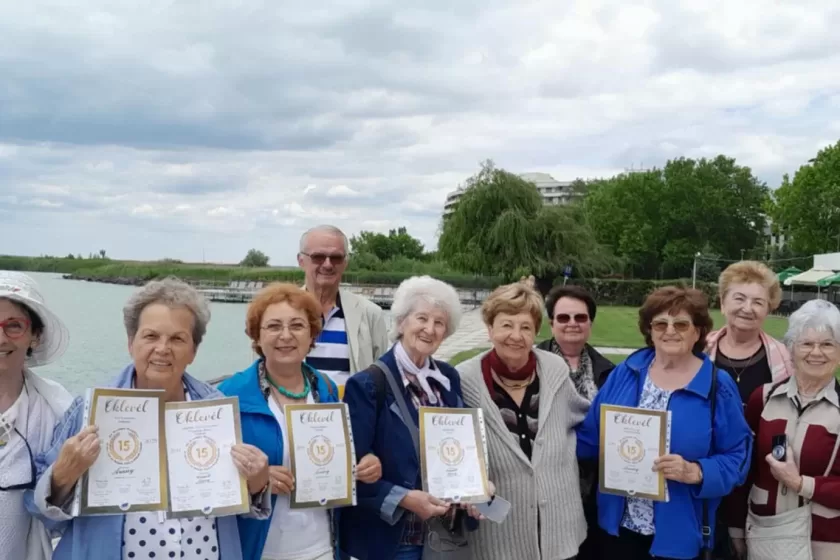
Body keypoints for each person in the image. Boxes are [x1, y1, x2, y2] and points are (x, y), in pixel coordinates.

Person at [29, 277, 272, 560]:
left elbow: (237, 503)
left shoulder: (216, 411)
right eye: (151, 336)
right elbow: (41, 513)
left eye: (178, 338)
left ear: (193, 351)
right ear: (131, 343)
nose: (163, 348)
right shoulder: (90, 410)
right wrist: (62, 476)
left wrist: (257, 483)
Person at [577, 286, 752, 560]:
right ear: (650, 330)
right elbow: (589, 436)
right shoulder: (626, 373)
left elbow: (738, 457)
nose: (670, 331)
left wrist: (696, 471)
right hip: (618, 529)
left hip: (680, 532)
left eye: (681, 324)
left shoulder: (717, 386)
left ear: (697, 331)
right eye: (660, 323)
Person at [218, 283, 383, 560]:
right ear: (257, 336)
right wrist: (258, 479)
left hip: (321, 546)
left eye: (297, 325)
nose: (286, 335)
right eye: (273, 326)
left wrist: (365, 461)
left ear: (312, 335)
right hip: (260, 549)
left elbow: (334, 453)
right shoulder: (230, 394)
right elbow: (208, 476)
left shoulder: (326, 389)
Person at [339, 275, 482, 560]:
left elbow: (460, 447)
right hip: (392, 541)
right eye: (422, 318)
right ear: (401, 322)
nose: (430, 329)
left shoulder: (447, 378)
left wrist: (477, 484)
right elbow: (349, 475)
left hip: (443, 536)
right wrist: (405, 498)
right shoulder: (368, 385)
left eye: (439, 323)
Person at [457, 281, 589, 560]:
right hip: (497, 534)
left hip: (559, 530)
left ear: (536, 332)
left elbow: (586, 418)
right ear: (490, 329)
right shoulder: (464, 379)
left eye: (526, 327)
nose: (516, 336)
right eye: (506, 325)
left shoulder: (554, 369)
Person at [727, 299, 840, 560]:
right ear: (790, 348)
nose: (816, 352)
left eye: (827, 345)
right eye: (807, 343)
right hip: (768, 535)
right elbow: (744, 468)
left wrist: (802, 484)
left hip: (826, 541)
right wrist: (735, 526)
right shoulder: (764, 398)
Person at [535, 284, 615, 560]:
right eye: (563, 318)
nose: (572, 324)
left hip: (594, 487)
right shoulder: (530, 365)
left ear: (590, 323)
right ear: (551, 323)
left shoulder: (610, 373)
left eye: (580, 318)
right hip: (545, 490)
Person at [0, 271, 75, 560]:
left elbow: (65, 512)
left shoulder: (57, 412)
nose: (1, 337)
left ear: (35, 336)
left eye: (14, 326)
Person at [298, 225, 389, 397]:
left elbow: (384, 376)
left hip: (354, 419)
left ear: (345, 263)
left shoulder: (370, 314)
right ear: (301, 261)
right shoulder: (279, 314)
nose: (327, 264)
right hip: (294, 417)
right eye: (318, 257)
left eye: (336, 258)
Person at [705, 261, 793, 405]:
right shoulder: (700, 349)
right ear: (722, 303)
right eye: (739, 299)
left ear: (768, 310)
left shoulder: (786, 358)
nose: (747, 308)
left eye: (758, 302)